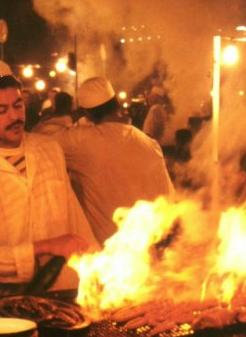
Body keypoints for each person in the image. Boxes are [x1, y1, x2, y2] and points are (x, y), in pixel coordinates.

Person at [0, 59, 96, 318]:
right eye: (0, 110)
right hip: (4, 308)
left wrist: (98, 270)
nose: (14, 117)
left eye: (17, 106)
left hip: (63, 298)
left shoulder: (48, 149)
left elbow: (74, 218)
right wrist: (44, 247)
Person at [53, 77, 174, 244]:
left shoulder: (79, 142)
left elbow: (43, 143)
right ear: (116, 102)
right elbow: (168, 197)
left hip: (109, 254)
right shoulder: (149, 143)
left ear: (86, 113)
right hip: (150, 246)